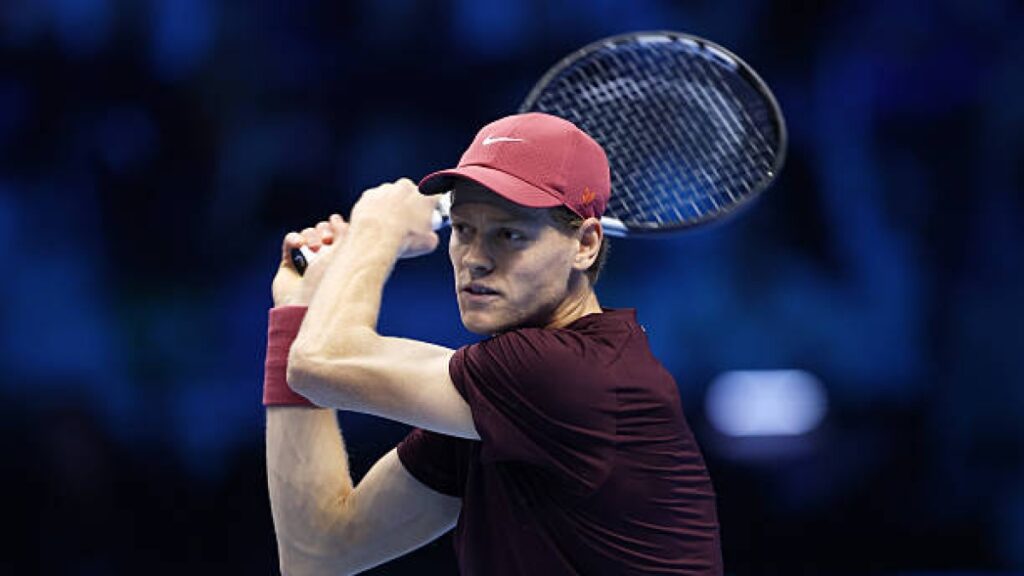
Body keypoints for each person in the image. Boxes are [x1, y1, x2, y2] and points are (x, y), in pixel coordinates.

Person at [263, 113, 723, 575]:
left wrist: (377, 227)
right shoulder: (497, 406)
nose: (475, 260)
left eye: (509, 234)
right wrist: (297, 311)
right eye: (463, 229)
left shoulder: (569, 375)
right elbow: (318, 552)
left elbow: (321, 362)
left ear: (584, 244)